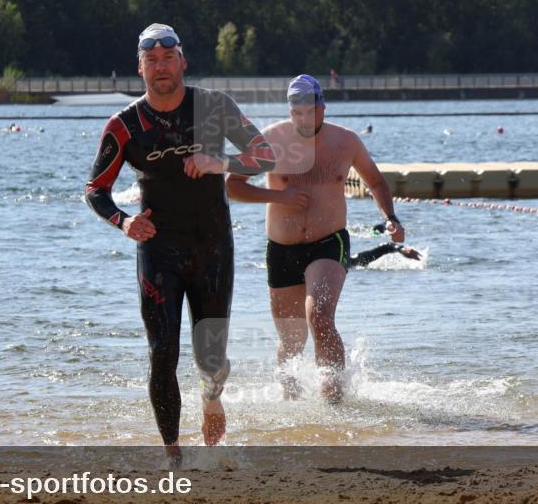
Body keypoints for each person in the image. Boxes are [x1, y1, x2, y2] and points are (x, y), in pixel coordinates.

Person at [84, 24, 276, 462]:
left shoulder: (213, 108)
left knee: (212, 356)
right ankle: (174, 456)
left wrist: (219, 162)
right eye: (151, 60)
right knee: (162, 352)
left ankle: (211, 395)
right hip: (157, 246)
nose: (160, 66)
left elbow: (267, 155)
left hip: (212, 245)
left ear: (183, 61)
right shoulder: (125, 125)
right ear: (140, 68)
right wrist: (123, 221)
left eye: (168, 57)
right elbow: (96, 189)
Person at [226, 74, 404, 402]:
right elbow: (232, 185)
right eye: (297, 113)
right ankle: (291, 404)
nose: (304, 119)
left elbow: (376, 182)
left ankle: (333, 404)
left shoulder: (346, 141)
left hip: (328, 241)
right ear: (290, 111)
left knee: (319, 316)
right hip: (281, 248)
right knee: (291, 342)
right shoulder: (270, 140)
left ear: (322, 107)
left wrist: (390, 218)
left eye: (310, 111)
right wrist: (280, 198)